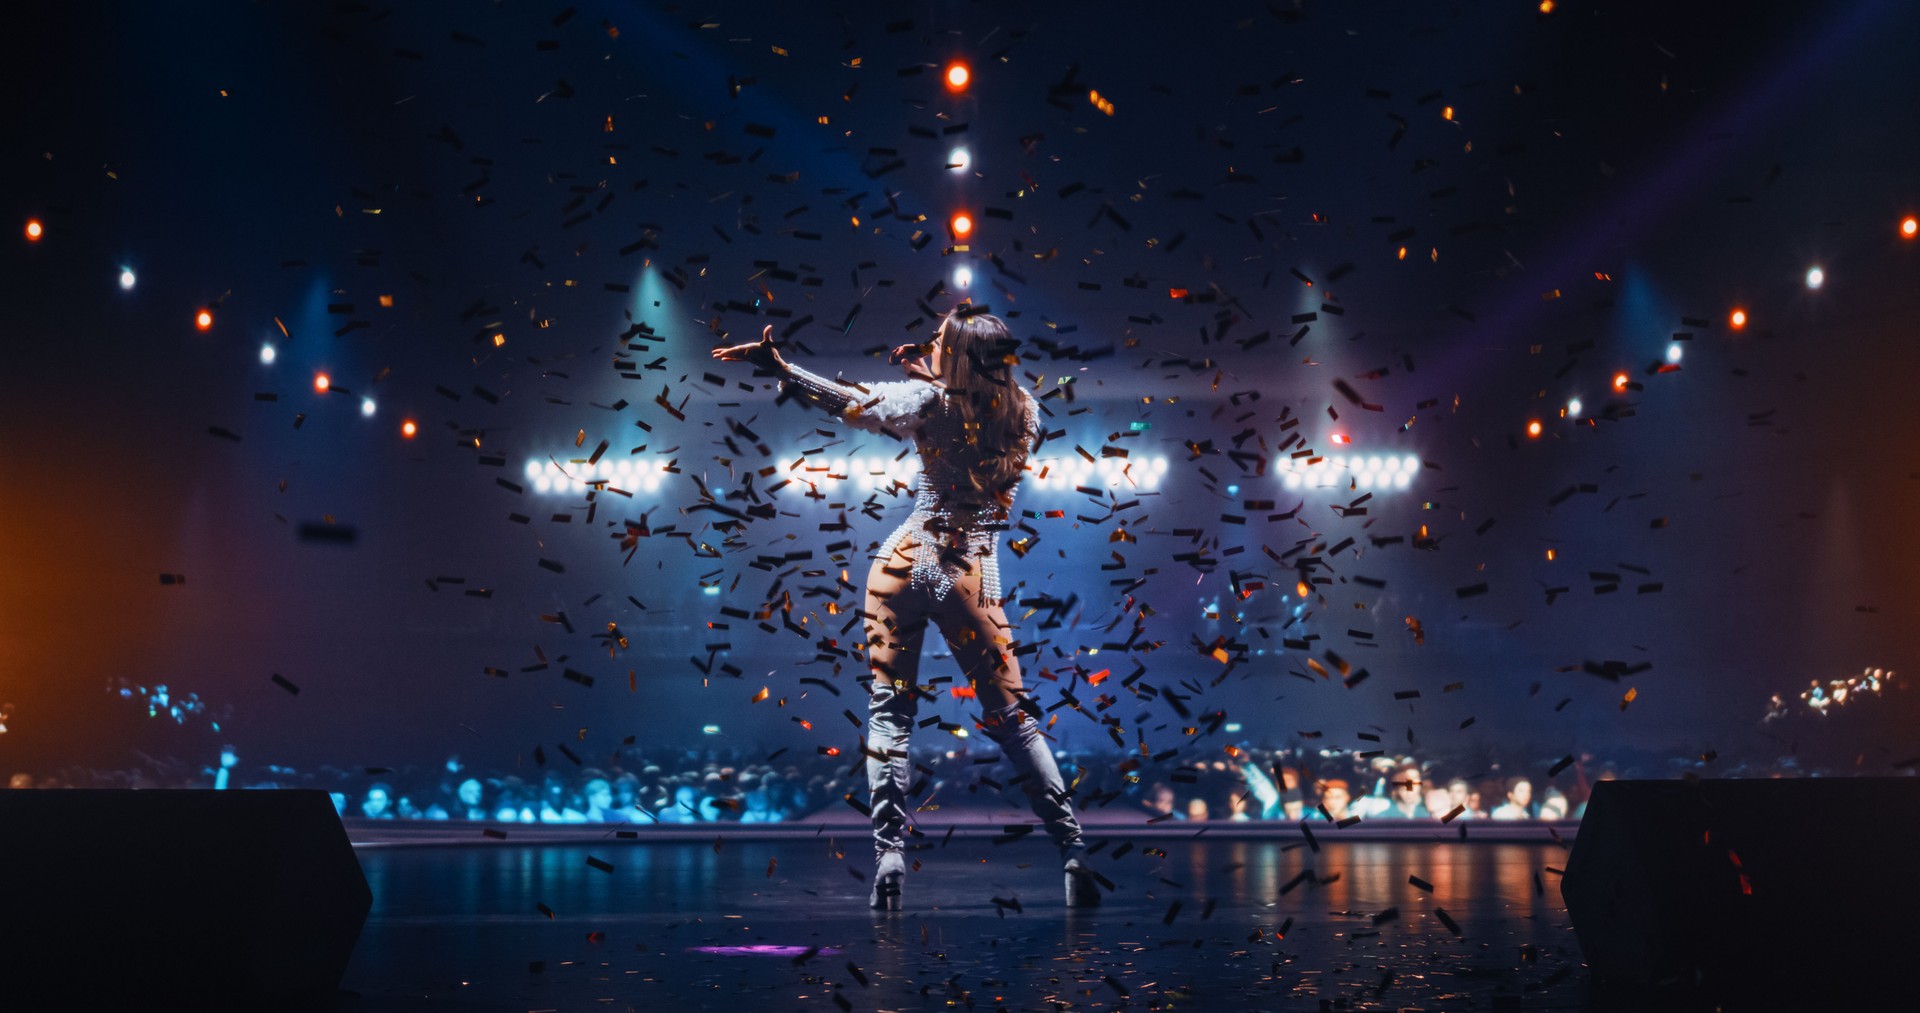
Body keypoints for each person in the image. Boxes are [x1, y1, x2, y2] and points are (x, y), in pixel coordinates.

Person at [713, 309, 1098, 909]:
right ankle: (1072, 851)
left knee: (890, 715)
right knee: (1014, 722)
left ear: (958, 354)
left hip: (904, 560)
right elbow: (971, 420)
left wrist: (783, 368)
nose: (928, 344)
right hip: (968, 567)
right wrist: (933, 378)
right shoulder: (1026, 409)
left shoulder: (928, 400)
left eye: (939, 340)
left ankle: (889, 856)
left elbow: (852, 401)